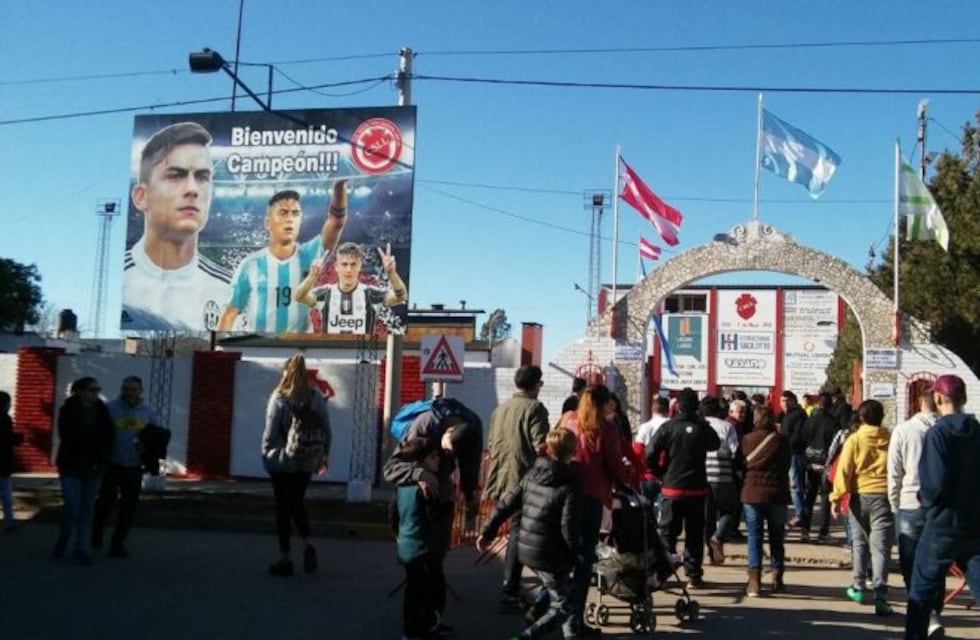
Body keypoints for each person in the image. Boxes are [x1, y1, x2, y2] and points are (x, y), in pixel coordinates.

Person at [384, 397, 484, 634]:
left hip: (438, 510)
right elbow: (392, 468)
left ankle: (432, 621)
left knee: (435, 574)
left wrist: (470, 496)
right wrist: (419, 473)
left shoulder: (473, 429)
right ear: (446, 431)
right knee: (419, 581)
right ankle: (414, 626)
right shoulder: (424, 424)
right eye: (441, 452)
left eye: (449, 456)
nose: (442, 458)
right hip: (418, 500)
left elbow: (470, 467)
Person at [121, 122, 232, 331]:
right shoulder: (124, 278)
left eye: (202, 177)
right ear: (141, 196)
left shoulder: (229, 289)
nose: (192, 189)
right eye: (175, 175)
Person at [478, 428, 581, 640]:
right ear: (573, 451)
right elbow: (567, 526)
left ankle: (567, 632)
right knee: (565, 604)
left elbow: (506, 504)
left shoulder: (532, 474)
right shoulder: (570, 484)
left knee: (565, 591)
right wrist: (573, 555)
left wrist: (488, 532)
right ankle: (528, 636)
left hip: (526, 546)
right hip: (549, 552)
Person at [905, 374, 980, 640]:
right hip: (974, 522)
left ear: (937, 398)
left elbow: (933, 484)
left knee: (922, 590)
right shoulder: (977, 430)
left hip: (942, 524)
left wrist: (925, 501)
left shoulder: (938, 433)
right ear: (964, 399)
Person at [219, 180, 349, 333]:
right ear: (268, 223)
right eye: (283, 213)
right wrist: (217, 351)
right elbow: (230, 313)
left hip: (300, 351)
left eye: (295, 213)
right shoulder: (250, 265)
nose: (290, 219)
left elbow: (336, 222)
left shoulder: (310, 254)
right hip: (259, 351)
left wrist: (338, 188)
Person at [484, 365, 550, 613]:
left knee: (515, 532)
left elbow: (492, 443)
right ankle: (511, 590)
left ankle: (513, 588)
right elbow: (541, 447)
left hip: (501, 480)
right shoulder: (535, 408)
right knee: (519, 535)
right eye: (540, 384)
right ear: (535, 385)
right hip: (523, 481)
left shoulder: (500, 409)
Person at [565, 385, 630, 637]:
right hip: (592, 496)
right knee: (583, 559)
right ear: (603, 404)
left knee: (563, 557)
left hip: (565, 494)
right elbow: (613, 463)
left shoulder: (569, 421)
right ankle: (573, 623)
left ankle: (546, 609)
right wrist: (626, 478)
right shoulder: (605, 428)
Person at [261, 354, 332, 577]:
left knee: (283, 508)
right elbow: (327, 430)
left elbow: (270, 432)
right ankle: (308, 543)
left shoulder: (279, 398)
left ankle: (286, 559)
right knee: (297, 503)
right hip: (307, 461)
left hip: (282, 461)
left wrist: (266, 454)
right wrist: (323, 456)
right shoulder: (315, 397)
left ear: (286, 372)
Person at [647, 387, 721, 588]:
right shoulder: (701, 427)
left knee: (667, 535)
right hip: (696, 489)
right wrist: (702, 423)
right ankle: (694, 574)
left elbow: (649, 454)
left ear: (678, 405)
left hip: (672, 488)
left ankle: (662, 574)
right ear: (696, 406)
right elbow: (715, 443)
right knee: (694, 535)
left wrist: (660, 472)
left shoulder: (668, 427)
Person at [829, 399, 894, 616]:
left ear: (862, 418)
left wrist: (836, 498)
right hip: (884, 496)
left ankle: (858, 586)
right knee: (881, 547)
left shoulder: (854, 439)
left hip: (859, 496)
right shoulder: (890, 438)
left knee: (859, 543)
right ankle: (881, 595)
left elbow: (844, 470)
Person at [888, 387, 943, 637]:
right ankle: (934, 614)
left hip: (910, 502)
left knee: (911, 563)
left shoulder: (904, 430)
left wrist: (893, 501)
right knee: (937, 562)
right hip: (941, 504)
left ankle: (919, 612)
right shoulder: (947, 430)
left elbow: (894, 470)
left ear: (919, 402)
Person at [92, 376, 159, 558]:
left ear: (140, 391)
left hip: (134, 466)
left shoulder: (147, 412)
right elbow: (99, 433)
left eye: (133, 389)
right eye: (126, 389)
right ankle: (96, 531)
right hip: (112, 464)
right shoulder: (110, 408)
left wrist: (148, 450)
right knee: (105, 502)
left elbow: (155, 437)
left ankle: (118, 543)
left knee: (128, 508)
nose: (128, 392)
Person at [53, 377, 114, 565]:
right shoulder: (68, 409)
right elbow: (67, 434)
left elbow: (108, 435)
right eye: (91, 390)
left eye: (97, 389)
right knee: (72, 505)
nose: (95, 393)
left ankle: (81, 547)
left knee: (87, 507)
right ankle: (64, 536)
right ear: (80, 391)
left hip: (94, 465)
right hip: (71, 464)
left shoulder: (102, 410)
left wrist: (101, 456)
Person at [393, 437, 445, 640]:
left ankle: (416, 628)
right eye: (433, 457)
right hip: (423, 548)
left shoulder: (403, 486)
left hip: (408, 546)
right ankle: (416, 630)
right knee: (422, 593)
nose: (438, 460)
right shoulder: (426, 489)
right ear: (421, 462)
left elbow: (393, 514)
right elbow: (433, 517)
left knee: (414, 590)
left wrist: (399, 535)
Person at [294, 241, 408, 334]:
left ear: (360, 266)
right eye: (344, 264)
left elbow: (401, 297)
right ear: (336, 267)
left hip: (362, 357)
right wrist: (312, 276)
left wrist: (392, 273)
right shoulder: (325, 293)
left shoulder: (371, 294)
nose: (348, 270)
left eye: (353, 264)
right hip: (331, 356)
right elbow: (299, 297)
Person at [740, 405, 791, 596]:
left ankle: (754, 581)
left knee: (755, 536)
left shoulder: (747, 439)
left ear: (756, 420)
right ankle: (777, 577)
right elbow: (787, 465)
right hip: (778, 493)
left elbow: (740, 464)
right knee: (777, 537)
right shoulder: (783, 441)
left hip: (752, 493)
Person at [795, 392, 840, 544]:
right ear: (830, 405)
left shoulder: (809, 421)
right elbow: (837, 445)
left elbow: (802, 440)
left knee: (809, 496)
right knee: (825, 498)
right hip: (826, 464)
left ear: (818, 404)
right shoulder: (834, 423)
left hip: (810, 462)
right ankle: (823, 532)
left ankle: (805, 531)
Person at [702, 395, 740, 565]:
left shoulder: (698, 425)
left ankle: (710, 554)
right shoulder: (727, 427)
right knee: (729, 511)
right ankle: (719, 536)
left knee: (707, 517)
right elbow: (735, 451)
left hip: (702, 476)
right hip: (723, 476)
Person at [777, 391, 808, 529]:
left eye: (787, 401)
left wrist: (786, 446)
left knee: (795, 486)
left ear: (794, 401)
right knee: (792, 485)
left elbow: (797, 436)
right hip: (787, 453)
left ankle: (800, 514)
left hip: (795, 454)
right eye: (782, 401)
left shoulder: (798, 415)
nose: (784, 404)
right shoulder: (785, 415)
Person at [0, 390, 23, 533]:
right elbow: (6, 438)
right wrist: (18, 438)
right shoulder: (4, 419)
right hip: (3, 461)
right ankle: (9, 522)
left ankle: (10, 521)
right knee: (6, 493)